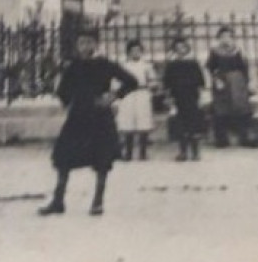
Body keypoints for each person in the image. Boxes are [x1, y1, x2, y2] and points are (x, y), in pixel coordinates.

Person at [39, 29, 139, 217]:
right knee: (63, 157)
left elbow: (132, 81)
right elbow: (63, 91)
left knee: (102, 159)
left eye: (88, 42)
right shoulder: (74, 66)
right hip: (78, 117)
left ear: (96, 44)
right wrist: (67, 102)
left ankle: (97, 202)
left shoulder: (105, 64)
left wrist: (113, 96)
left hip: (100, 117)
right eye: (81, 43)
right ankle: (58, 200)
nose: (85, 47)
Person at [206, 28, 257, 148]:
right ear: (219, 38)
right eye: (223, 37)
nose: (226, 39)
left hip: (237, 82)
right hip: (222, 82)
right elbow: (211, 68)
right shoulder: (215, 52)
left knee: (241, 107)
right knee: (221, 108)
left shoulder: (238, 51)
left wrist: (248, 82)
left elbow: (244, 68)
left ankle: (245, 137)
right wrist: (216, 80)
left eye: (229, 36)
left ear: (233, 38)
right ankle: (221, 139)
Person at [160, 37, 208, 162]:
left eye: (183, 47)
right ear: (174, 50)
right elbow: (167, 82)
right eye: (177, 48)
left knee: (194, 126)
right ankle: (182, 152)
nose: (181, 50)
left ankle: (195, 152)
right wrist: (169, 97)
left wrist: (201, 96)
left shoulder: (193, 63)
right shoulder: (172, 64)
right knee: (181, 126)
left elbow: (200, 81)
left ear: (187, 48)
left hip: (192, 97)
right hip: (178, 98)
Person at [115, 39, 158, 161]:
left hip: (142, 94)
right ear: (128, 52)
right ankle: (128, 153)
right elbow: (117, 82)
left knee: (143, 121)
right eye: (132, 51)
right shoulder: (124, 66)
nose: (135, 53)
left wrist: (151, 87)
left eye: (138, 50)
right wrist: (117, 97)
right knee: (127, 122)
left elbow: (153, 80)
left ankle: (142, 153)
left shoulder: (146, 65)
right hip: (128, 95)